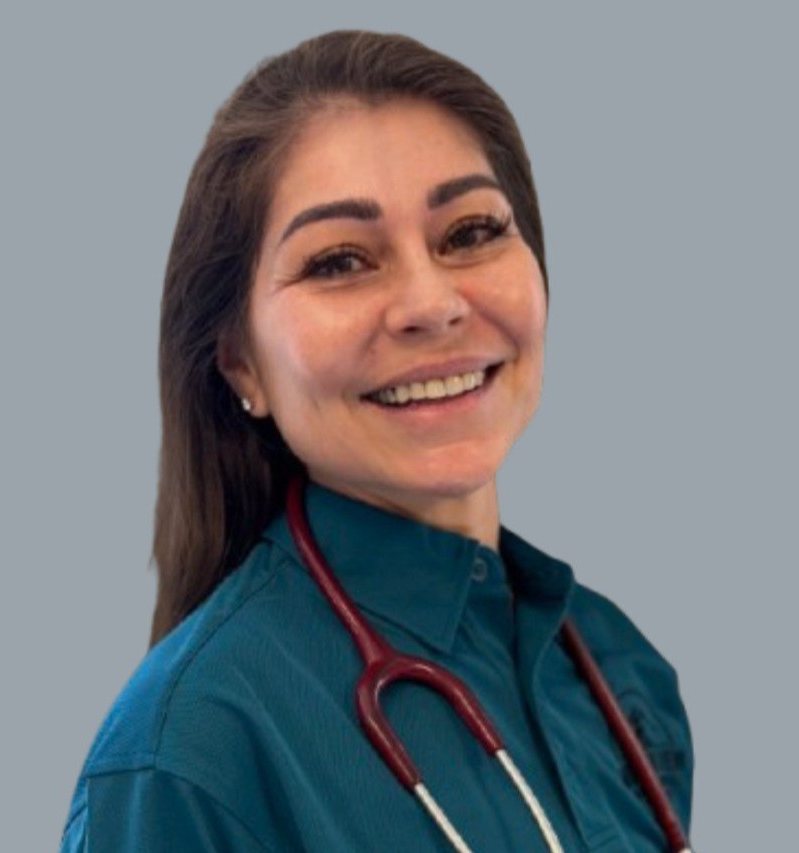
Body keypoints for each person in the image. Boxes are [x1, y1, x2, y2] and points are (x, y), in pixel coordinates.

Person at [60, 30, 694, 852]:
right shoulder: (190, 752)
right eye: (339, 261)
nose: (430, 304)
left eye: (468, 233)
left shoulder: (617, 667)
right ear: (239, 361)